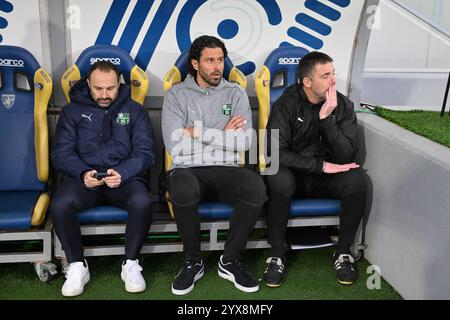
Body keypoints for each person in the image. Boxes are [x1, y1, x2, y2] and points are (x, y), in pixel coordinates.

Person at [162, 35, 267, 295]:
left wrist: (197, 132)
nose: (217, 66)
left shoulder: (235, 92)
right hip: (187, 170)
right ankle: (193, 261)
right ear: (195, 64)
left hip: (227, 171)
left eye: (220, 60)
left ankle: (229, 260)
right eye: (210, 61)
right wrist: (224, 136)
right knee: (182, 186)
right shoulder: (177, 95)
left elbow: (244, 143)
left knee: (255, 185)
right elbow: (176, 147)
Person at [50, 61, 155, 297]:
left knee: (142, 202)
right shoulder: (71, 111)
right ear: (88, 84)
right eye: (98, 89)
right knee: (60, 204)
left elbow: (146, 153)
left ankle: (131, 263)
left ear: (119, 84)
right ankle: (77, 265)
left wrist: (124, 172)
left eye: (110, 88)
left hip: (123, 180)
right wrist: (82, 173)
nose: (105, 95)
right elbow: (60, 154)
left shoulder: (135, 110)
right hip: (84, 181)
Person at [263, 51, 367, 287]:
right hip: (296, 174)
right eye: (326, 75)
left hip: (325, 178)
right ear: (307, 82)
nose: (333, 81)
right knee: (277, 176)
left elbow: (347, 155)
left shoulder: (342, 105)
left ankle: (343, 251)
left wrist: (326, 119)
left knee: (358, 180)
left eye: (333, 73)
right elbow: (274, 152)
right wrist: (320, 165)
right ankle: (277, 253)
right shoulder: (286, 104)